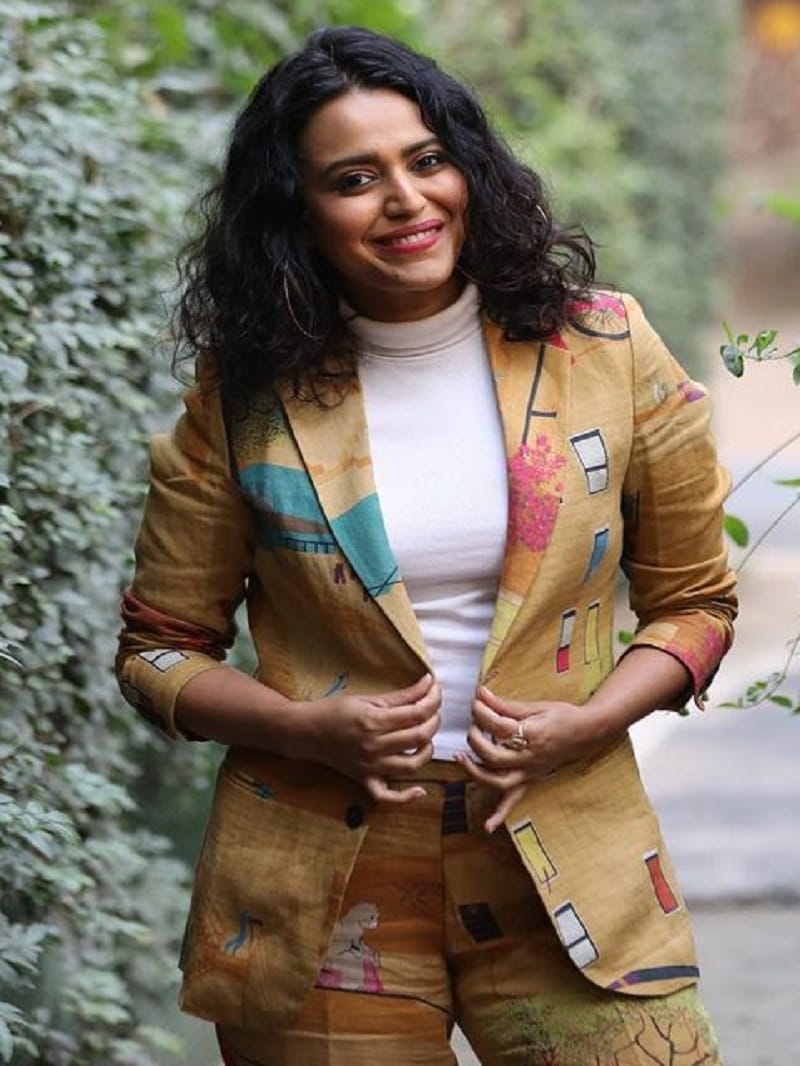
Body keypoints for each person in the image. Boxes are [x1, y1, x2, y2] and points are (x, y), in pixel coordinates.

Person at [116, 25, 737, 1066]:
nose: (405, 200)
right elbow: (158, 650)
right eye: (355, 179)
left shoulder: (603, 346)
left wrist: (583, 723)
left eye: (427, 159)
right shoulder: (246, 395)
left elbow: (697, 607)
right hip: (319, 887)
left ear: (467, 169)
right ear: (297, 213)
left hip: (566, 855)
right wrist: (307, 728)